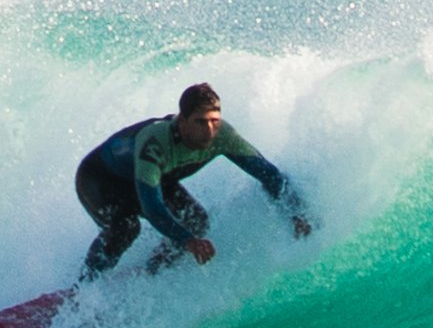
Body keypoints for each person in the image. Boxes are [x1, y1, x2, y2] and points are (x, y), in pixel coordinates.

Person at [74, 82, 313, 277]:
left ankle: (153, 272)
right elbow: (152, 206)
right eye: (200, 122)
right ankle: (84, 290)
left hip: (156, 179)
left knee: (196, 221)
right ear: (182, 120)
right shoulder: (155, 141)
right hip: (101, 178)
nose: (209, 130)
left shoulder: (223, 136)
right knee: (125, 228)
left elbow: (268, 174)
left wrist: (296, 213)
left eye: (214, 121)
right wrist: (188, 241)